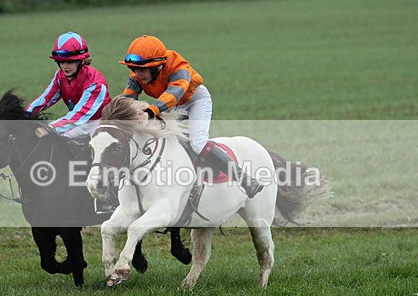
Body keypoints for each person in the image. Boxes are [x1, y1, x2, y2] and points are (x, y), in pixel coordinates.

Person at [119, 35, 262, 198]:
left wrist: (150, 112)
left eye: (142, 69)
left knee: (198, 143)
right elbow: (128, 98)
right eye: (133, 69)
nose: (138, 74)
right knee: (159, 139)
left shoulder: (178, 66)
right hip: (170, 105)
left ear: (157, 66)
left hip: (195, 100)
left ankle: (245, 179)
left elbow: (175, 93)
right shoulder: (137, 77)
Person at [26, 31, 110, 139]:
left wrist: (51, 128)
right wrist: (24, 114)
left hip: (98, 123)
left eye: (69, 62)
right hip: (78, 122)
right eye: (61, 62)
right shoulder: (60, 76)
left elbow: (80, 114)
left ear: (81, 61)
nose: (64, 67)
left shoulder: (96, 83)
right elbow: (45, 99)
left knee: (60, 140)